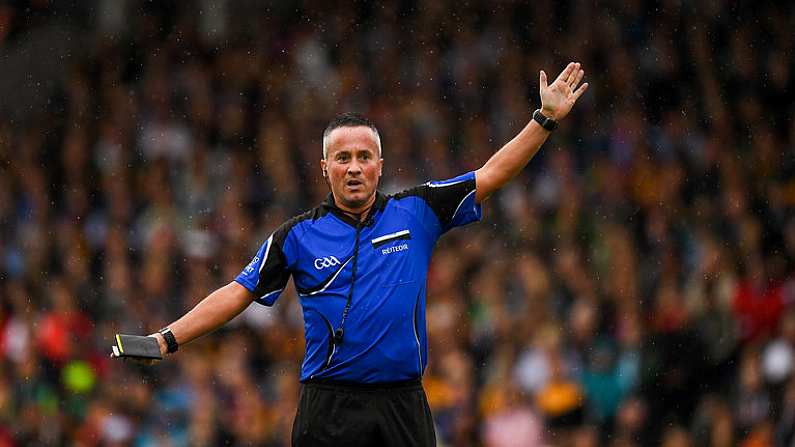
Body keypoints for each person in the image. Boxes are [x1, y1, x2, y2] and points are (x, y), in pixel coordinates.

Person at [141, 62, 588, 446]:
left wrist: (544, 119)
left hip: (403, 403)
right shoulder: (296, 236)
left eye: (363, 156)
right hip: (329, 405)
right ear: (324, 168)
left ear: (380, 164)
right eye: (342, 158)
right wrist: (167, 339)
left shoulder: (419, 210)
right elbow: (237, 292)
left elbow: (492, 174)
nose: (353, 167)